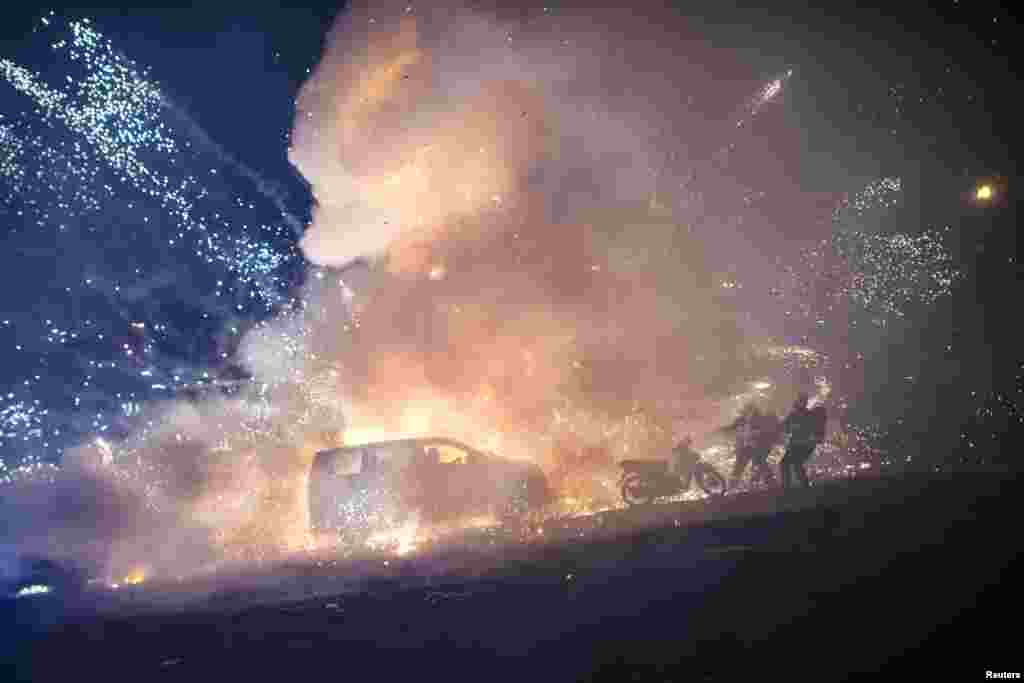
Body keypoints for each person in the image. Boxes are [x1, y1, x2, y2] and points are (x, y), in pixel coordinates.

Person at [780, 393, 827, 490]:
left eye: (800, 401)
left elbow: (811, 430)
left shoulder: (807, 415)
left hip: (803, 445)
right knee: (789, 463)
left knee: (794, 464)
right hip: (797, 445)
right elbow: (785, 427)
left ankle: (795, 487)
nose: (798, 403)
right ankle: (790, 487)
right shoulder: (795, 414)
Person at [720, 403, 760, 490]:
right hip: (745, 447)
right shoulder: (740, 420)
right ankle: (732, 487)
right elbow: (731, 428)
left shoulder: (758, 419)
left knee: (757, 468)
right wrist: (722, 430)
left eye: (748, 410)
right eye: (745, 411)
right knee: (738, 467)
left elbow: (761, 432)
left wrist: (752, 435)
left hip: (755, 447)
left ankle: (755, 485)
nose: (746, 413)